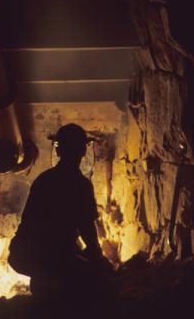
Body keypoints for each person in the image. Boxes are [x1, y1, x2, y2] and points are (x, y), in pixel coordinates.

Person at [8, 123, 115, 304]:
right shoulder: (81, 185)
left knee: (64, 264)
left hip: (22, 254)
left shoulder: (43, 180)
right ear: (83, 151)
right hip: (50, 257)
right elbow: (87, 229)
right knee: (100, 278)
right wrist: (98, 259)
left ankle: (46, 289)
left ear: (58, 151)